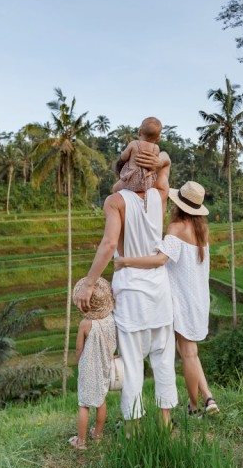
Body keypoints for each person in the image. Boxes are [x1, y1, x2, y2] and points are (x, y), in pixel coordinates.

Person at [74, 148, 175, 426]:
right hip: (159, 289)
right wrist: (158, 161)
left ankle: (133, 430)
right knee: (163, 360)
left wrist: (89, 284)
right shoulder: (161, 194)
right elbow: (165, 162)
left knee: (132, 364)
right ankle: (165, 425)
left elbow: (109, 244)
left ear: (122, 172)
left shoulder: (115, 201)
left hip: (131, 291)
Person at [115, 181, 218, 416]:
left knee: (188, 353)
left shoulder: (176, 228)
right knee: (191, 352)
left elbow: (161, 260)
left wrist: (125, 261)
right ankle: (208, 398)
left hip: (181, 298)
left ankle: (193, 408)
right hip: (199, 296)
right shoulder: (201, 229)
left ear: (177, 204)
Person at [69, 277, 117, 450]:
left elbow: (78, 349)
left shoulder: (85, 324)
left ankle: (80, 441)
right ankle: (97, 435)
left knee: (84, 404)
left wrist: (80, 364)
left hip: (89, 366)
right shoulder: (112, 320)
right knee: (101, 399)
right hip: (105, 365)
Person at [111, 117, 170, 205]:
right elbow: (154, 162)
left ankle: (119, 204)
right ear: (158, 138)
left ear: (139, 132)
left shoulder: (134, 144)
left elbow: (123, 157)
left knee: (115, 188)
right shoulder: (156, 148)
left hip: (131, 181)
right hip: (147, 182)